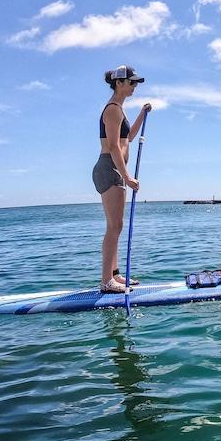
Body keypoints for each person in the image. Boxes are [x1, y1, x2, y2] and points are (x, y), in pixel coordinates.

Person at [93, 65, 151, 292]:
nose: (134, 86)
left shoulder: (119, 110)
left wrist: (142, 115)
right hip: (110, 168)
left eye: (135, 83)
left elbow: (129, 137)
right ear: (119, 83)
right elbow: (116, 147)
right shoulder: (113, 110)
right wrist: (127, 176)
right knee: (114, 227)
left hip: (113, 169)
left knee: (116, 226)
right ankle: (106, 281)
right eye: (131, 82)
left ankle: (114, 276)